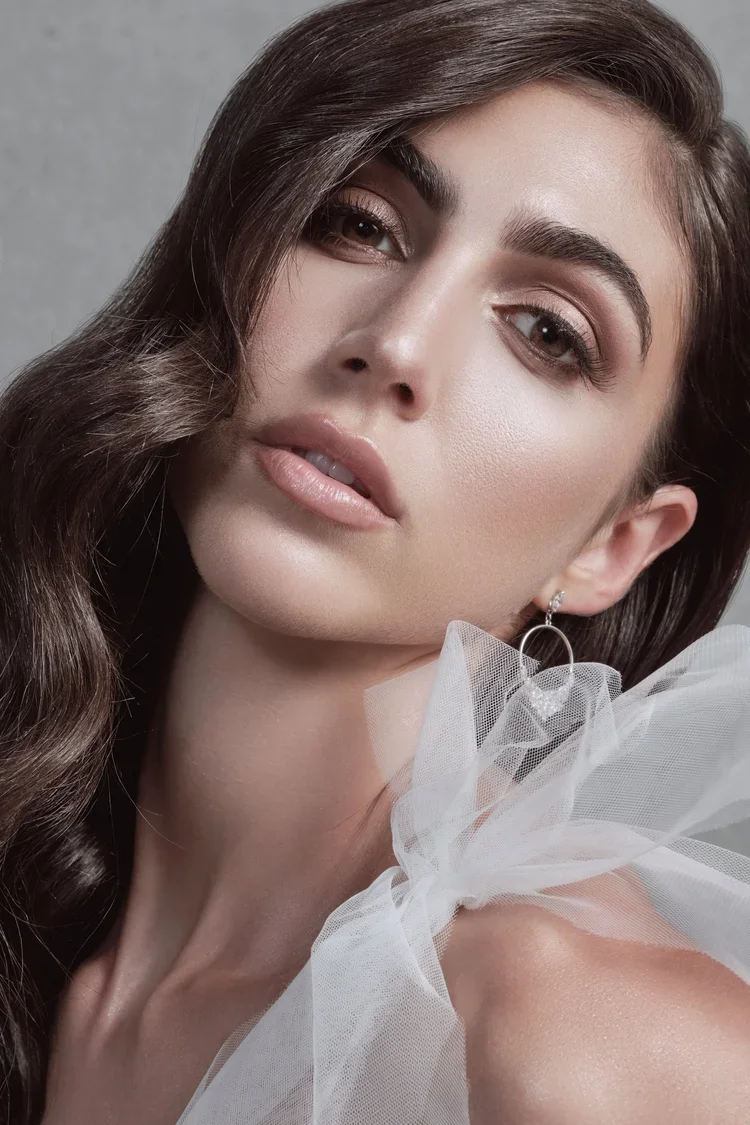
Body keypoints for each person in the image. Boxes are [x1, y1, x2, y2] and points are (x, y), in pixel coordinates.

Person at [1, 0, 750, 1120]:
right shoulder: (54, 943)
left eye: (548, 331)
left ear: (613, 547)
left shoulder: (572, 1036)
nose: (394, 343)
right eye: (358, 224)